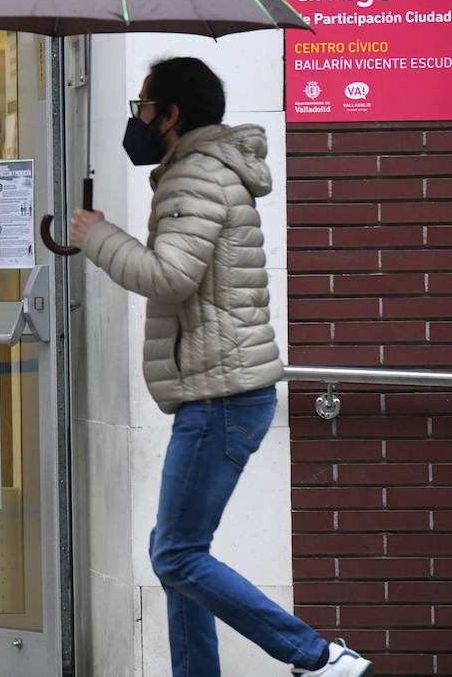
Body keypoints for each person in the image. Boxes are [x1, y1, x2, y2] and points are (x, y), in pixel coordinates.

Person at [66, 57, 373, 677]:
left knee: (177, 555)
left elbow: (169, 276)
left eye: (143, 107)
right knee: (174, 549)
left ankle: (319, 659)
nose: (139, 120)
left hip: (222, 396)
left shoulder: (194, 178)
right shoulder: (200, 172)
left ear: (171, 116)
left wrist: (97, 236)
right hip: (223, 391)